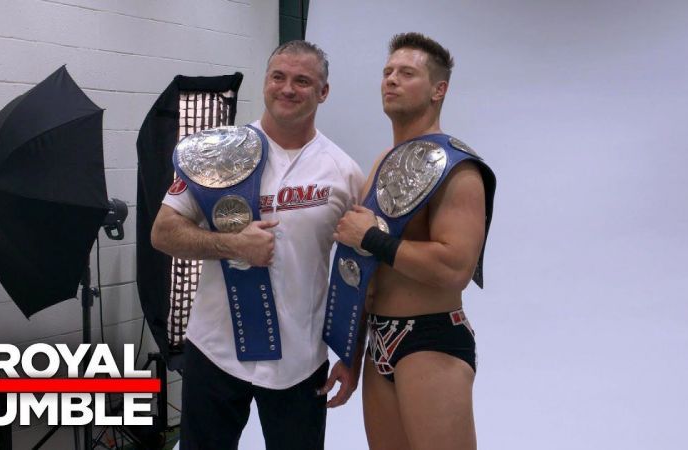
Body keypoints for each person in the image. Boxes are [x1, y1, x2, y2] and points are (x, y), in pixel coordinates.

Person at [151, 40, 365, 450]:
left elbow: (358, 271)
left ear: (323, 92)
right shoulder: (216, 154)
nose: (287, 89)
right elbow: (163, 232)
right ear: (265, 81)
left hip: (300, 361)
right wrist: (230, 245)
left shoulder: (344, 171)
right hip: (215, 351)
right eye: (278, 77)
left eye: (303, 81)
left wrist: (351, 355)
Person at [332, 33, 495, 450]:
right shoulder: (382, 163)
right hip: (377, 342)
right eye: (387, 72)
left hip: (430, 339)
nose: (391, 80)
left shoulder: (458, 169)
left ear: (439, 89)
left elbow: (454, 268)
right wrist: (350, 353)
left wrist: (370, 237)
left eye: (407, 73)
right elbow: (369, 273)